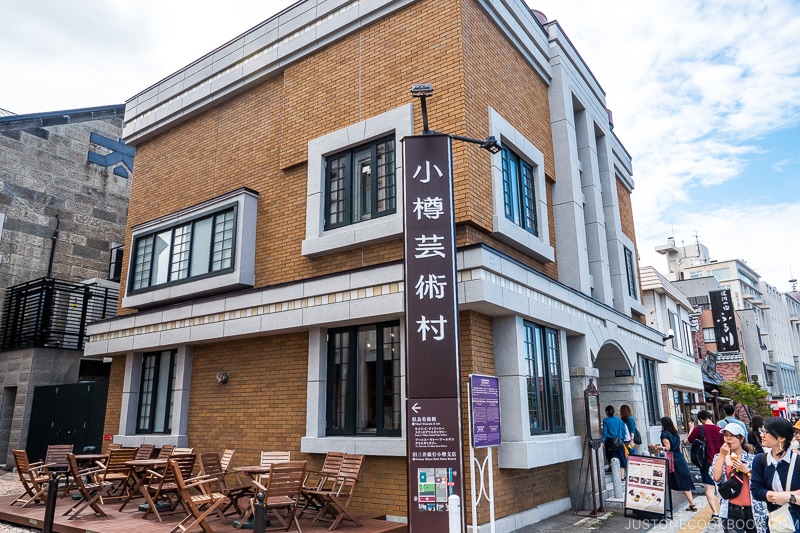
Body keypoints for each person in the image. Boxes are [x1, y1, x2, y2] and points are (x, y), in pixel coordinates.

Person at [711, 424, 767, 533]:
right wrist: (722, 456)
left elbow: (761, 483)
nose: (728, 438)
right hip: (730, 509)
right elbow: (716, 478)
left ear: (741, 438)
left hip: (753, 509)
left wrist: (746, 470)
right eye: (726, 435)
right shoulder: (719, 458)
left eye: (732, 436)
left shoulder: (754, 459)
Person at [750, 416, 800, 532]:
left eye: (766, 432)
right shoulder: (760, 460)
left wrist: (786, 497)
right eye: (762, 431)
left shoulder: (797, 461)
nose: (762, 435)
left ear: (781, 437)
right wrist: (777, 495)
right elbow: (756, 490)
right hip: (776, 519)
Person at [688, 410, 723, 520]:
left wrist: (691, 429)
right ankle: (725, 509)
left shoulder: (700, 429)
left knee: (709, 488)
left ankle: (715, 512)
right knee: (723, 487)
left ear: (701, 420)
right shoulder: (720, 430)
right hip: (721, 462)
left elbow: (689, 440)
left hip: (707, 462)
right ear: (710, 417)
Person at [658, 416, 698, 511]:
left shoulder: (664, 434)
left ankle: (663, 505)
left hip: (671, 459)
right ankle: (692, 504)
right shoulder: (675, 434)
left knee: (666, 481)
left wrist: (656, 447)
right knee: (684, 479)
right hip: (679, 457)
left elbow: (667, 447)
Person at [603, 405, 629, 479]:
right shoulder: (619, 419)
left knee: (613, 459)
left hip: (610, 443)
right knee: (622, 458)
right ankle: (622, 476)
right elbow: (624, 431)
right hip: (619, 442)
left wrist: (603, 441)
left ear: (607, 412)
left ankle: (616, 476)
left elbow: (605, 432)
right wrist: (622, 438)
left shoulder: (606, 420)